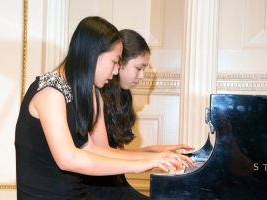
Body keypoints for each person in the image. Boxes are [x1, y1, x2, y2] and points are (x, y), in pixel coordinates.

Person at [15, 17, 193, 200]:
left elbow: (93, 149)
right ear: (94, 54)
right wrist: (139, 164)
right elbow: (68, 159)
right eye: (115, 62)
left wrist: (152, 157)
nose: (116, 71)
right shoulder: (50, 92)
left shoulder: (89, 90)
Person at [83, 29, 195, 199]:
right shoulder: (96, 95)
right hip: (96, 187)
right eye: (138, 68)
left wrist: (154, 151)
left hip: (114, 183)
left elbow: (115, 151)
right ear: (119, 63)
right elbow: (101, 152)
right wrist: (152, 156)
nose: (142, 76)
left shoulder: (122, 95)